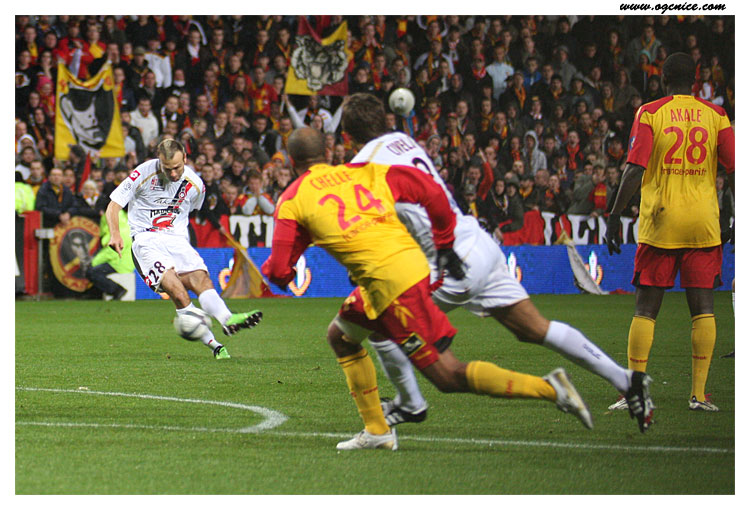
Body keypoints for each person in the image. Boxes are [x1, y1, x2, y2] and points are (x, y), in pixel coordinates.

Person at [263, 126, 594, 451]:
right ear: (327, 153)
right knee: (341, 336)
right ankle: (378, 430)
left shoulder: (292, 199)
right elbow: (431, 191)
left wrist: (279, 271)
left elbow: (279, 271)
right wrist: (444, 242)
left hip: (394, 287)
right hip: (414, 267)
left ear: (291, 161)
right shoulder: (364, 172)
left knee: (448, 376)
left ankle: (549, 388)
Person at [341, 92, 654, 434]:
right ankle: (626, 379)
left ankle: (408, 403)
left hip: (450, 260)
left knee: (381, 320)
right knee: (535, 328)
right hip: (479, 242)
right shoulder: (403, 140)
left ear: (346, 135)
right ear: (383, 120)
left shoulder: (363, 169)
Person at [606, 52, 735, 412]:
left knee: (646, 308)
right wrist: (734, 214)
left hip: (661, 221)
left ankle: (635, 391)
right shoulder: (717, 115)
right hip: (703, 223)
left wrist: (615, 214)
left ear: (662, 80)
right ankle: (699, 395)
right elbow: (736, 170)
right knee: (703, 308)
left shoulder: (650, 112)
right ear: (695, 81)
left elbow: (635, 168)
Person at [105, 139, 262, 359]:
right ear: (159, 161)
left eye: (177, 168)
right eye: (167, 168)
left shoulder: (195, 184)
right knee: (177, 291)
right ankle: (215, 345)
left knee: (201, 280)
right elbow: (113, 205)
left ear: (185, 159)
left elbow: (193, 210)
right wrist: (115, 233)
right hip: (146, 240)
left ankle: (227, 319)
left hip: (176, 240)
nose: (173, 173)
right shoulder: (143, 173)